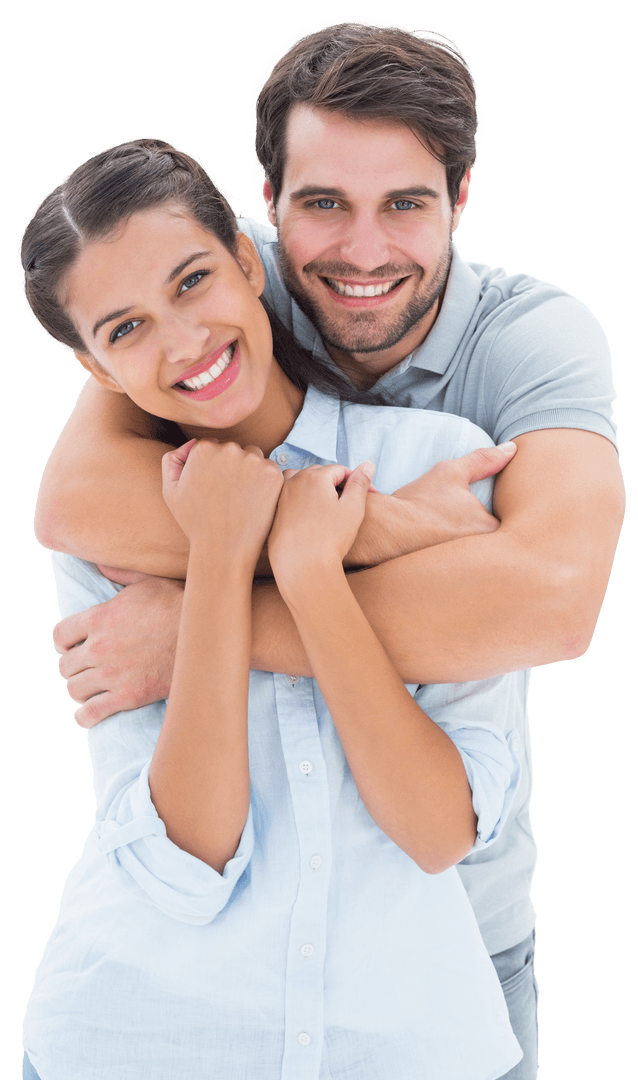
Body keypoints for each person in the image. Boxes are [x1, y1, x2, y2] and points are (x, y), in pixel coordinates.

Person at [30, 21, 625, 1080]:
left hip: (451, 947)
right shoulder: (202, 285)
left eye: (405, 204)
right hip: (175, 1005)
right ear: (263, 214)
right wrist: (378, 528)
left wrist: (205, 622)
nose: (361, 252)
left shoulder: (520, 353)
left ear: (461, 196)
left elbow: (549, 599)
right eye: (321, 205)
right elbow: (72, 503)